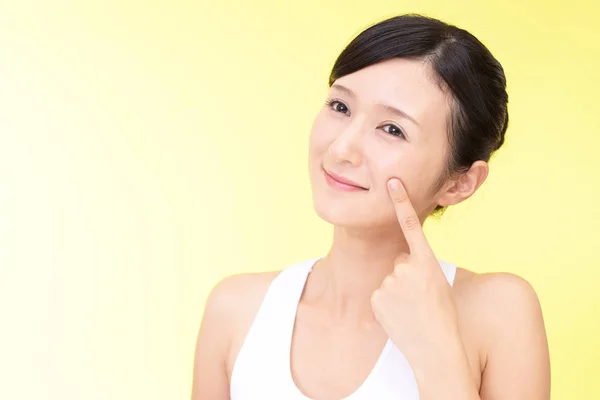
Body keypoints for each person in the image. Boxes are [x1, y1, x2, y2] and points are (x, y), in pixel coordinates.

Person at [191, 14, 551, 400]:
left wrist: (438, 355)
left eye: (392, 129)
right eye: (340, 107)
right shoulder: (236, 311)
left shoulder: (499, 313)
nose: (341, 148)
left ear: (458, 183)